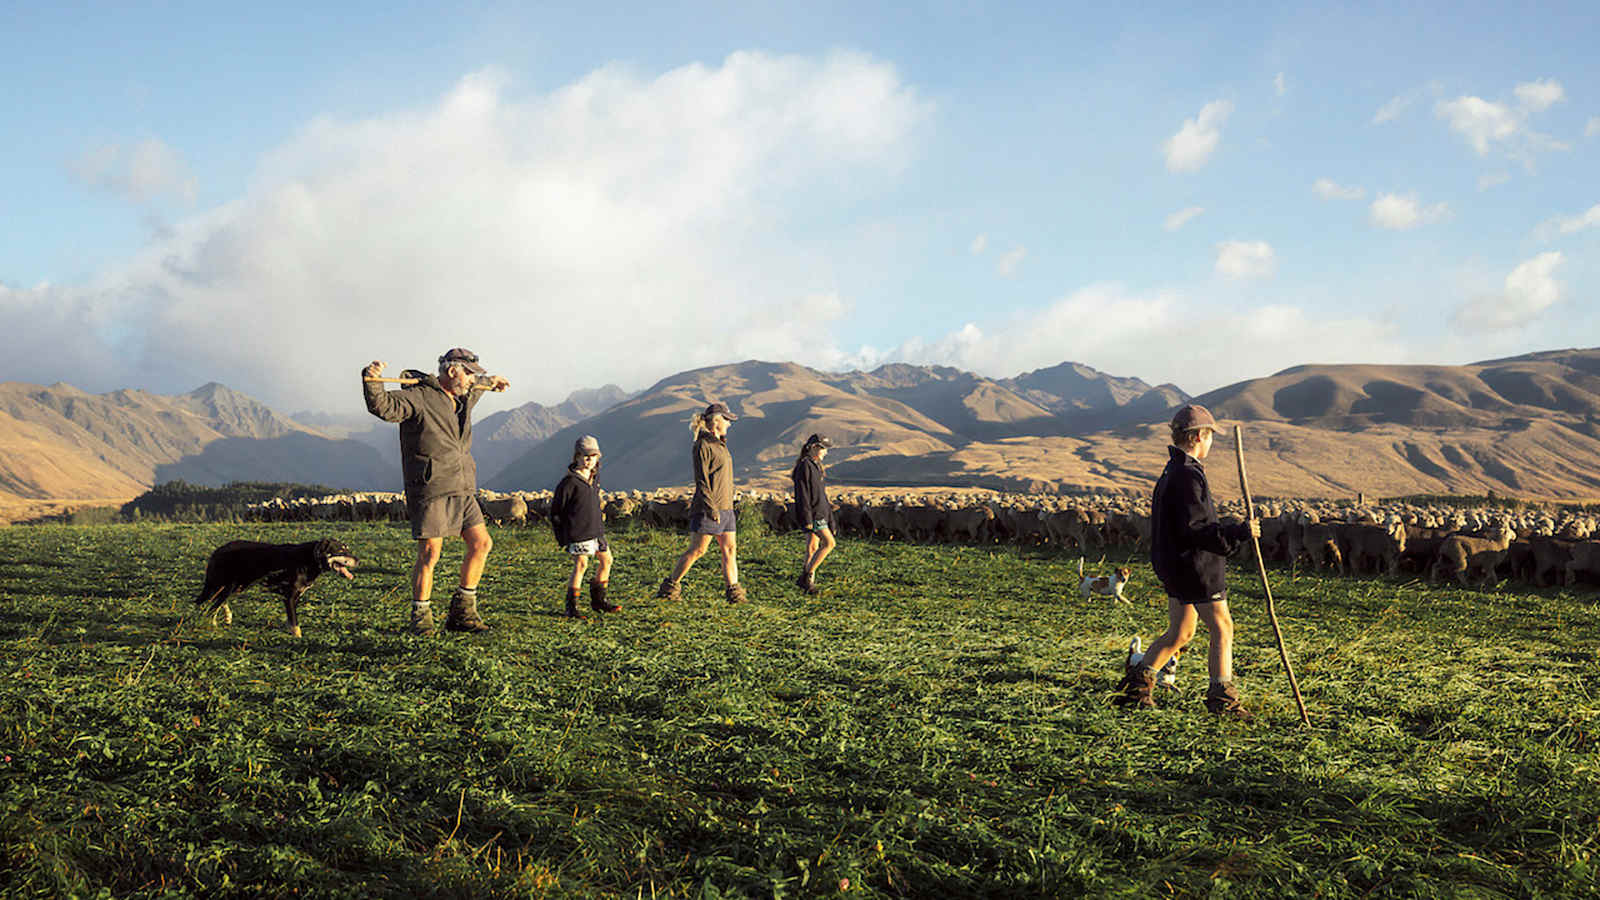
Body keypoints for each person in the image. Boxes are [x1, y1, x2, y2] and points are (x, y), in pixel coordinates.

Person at [1116, 404, 1259, 716]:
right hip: (1195, 566)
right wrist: (1240, 532)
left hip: (1175, 564)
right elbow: (1197, 528)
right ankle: (1222, 699)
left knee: (1181, 632)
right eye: (1209, 437)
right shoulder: (1187, 475)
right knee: (1223, 627)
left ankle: (1135, 687)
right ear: (1196, 437)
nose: (1210, 444)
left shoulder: (1173, 470)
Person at [362, 349, 509, 635]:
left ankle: (463, 613)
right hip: (433, 487)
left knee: (481, 544)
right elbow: (384, 407)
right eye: (469, 373)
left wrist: (492, 381)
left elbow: (477, 389)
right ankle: (421, 618)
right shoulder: (417, 397)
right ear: (452, 371)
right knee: (430, 553)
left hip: (463, 485)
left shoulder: (463, 395)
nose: (472, 380)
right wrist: (372, 381)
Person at [656, 402, 747, 604]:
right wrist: (711, 507)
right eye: (727, 421)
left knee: (730, 550)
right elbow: (702, 480)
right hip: (710, 508)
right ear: (717, 422)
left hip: (726, 508)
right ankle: (669, 588)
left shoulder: (720, 445)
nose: (729, 425)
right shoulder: (703, 446)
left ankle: (735, 594)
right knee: (698, 550)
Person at [551, 435, 622, 619]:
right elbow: (557, 512)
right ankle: (571, 606)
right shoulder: (568, 483)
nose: (589, 460)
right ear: (576, 457)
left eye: (593, 456)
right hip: (578, 532)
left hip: (596, 530)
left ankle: (599, 600)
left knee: (607, 560)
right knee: (581, 564)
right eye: (585, 456)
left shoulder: (594, 477)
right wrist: (562, 538)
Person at [791, 433, 835, 594]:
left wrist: (831, 518)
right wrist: (807, 517)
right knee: (830, 544)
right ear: (814, 447)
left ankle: (809, 584)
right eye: (823, 449)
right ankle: (806, 577)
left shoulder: (815, 466)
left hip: (820, 513)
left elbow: (821, 496)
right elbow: (803, 495)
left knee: (812, 547)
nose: (825, 452)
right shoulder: (805, 466)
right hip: (814, 515)